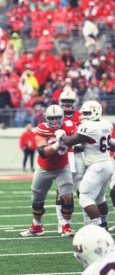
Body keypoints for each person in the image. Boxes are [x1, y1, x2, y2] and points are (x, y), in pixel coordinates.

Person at [19, 104, 76, 237]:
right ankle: (37, 226)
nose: (55, 121)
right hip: (44, 167)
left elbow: (76, 140)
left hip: (63, 166)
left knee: (67, 197)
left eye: (57, 118)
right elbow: (43, 152)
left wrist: (67, 138)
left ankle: (66, 227)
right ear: (46, 118)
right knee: (37, 197)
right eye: (52, 118)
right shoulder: (42, 128)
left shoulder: (69, 125)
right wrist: (58, 143)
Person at [58, 101, 114, 228]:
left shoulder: (88, 126)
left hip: (97, 166)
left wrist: (61, 134)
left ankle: (97, 228)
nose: (83, 115)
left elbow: (69, 141)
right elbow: (97, 142)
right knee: (100, 199)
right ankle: (104, 224)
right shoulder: (106, 124)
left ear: (96, 112)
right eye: (83, 112)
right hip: (106, 164)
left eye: (87, 113)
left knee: (85, 197)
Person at [55, 87, 87, 234]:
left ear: (75, 102)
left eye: (70, 101)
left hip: (79, 155)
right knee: (62, 190)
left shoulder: (82, 116)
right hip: (63, 155)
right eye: (65, 101)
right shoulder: (55, 115)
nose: (67, 104)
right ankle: (62, 223)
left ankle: (88, 221)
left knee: (83, 188)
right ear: (60, 102)